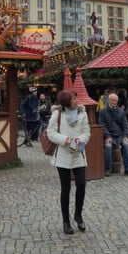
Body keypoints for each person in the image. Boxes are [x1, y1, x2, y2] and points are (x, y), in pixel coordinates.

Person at [47, 90, 91, 234]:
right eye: (73, 99)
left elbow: (86, 132)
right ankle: (66, 221)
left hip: (78, 153)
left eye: (75, 98)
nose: (76, 101)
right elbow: (51, 133)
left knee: (81, 184)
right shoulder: (58, 114)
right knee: (65, 189)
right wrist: (65, 140)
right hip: (63, 156)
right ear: (66, 102)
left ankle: (78, 215)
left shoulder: (82, 114)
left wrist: (81, 139)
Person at [98, 93, 128, 176]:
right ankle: (108, 169)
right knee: (108, 146)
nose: (114, 102)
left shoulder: (121, 112)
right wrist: (107, 136)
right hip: (109, 135)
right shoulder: (103, 111)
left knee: (126, 144)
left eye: (116, 101)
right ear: (109, 100)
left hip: (120, 135)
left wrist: (125, 136)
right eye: (112, 100)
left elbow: (126, 126)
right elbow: (102, 126)